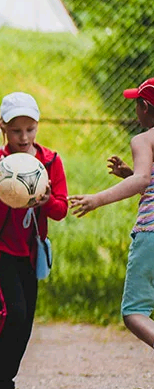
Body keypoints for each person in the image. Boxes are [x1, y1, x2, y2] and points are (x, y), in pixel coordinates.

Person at [0, 92, 67, 389]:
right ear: (3, 128)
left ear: (37, 126)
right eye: (15, 131)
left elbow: (60, 209)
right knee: (13, 312)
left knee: (25, 321)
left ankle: (5, 385)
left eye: (29, 129)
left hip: (29, 251)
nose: (23, 137)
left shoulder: (50, 161)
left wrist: (46, 200)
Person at [70, 78, 154, 349]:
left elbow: (142, 182)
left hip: (151, 234)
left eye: (136, 104)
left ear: (144, 106)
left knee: (134, 312)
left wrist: (97, 199)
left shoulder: (143, 140)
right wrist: (129, 173)